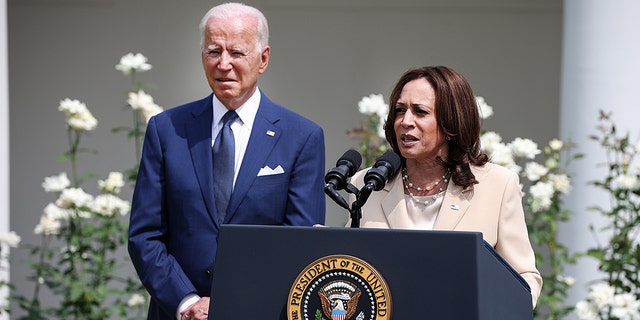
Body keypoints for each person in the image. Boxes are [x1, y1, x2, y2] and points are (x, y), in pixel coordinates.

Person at [127, 3, 326, 319]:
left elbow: (298, 244)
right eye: (213, 52)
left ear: (263, 59)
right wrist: (186, 301)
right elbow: (145, 235)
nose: (223, 64)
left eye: (236, 52)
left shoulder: (301, 137)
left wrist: (234, 302)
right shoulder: (167, 130)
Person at [347, 66, 542, 307]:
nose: (406, 121)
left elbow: (524, 277)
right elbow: (350, 268)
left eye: (420, 112)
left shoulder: (497, 185)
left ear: (452, 122)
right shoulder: (367, 184)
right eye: (400, 111)